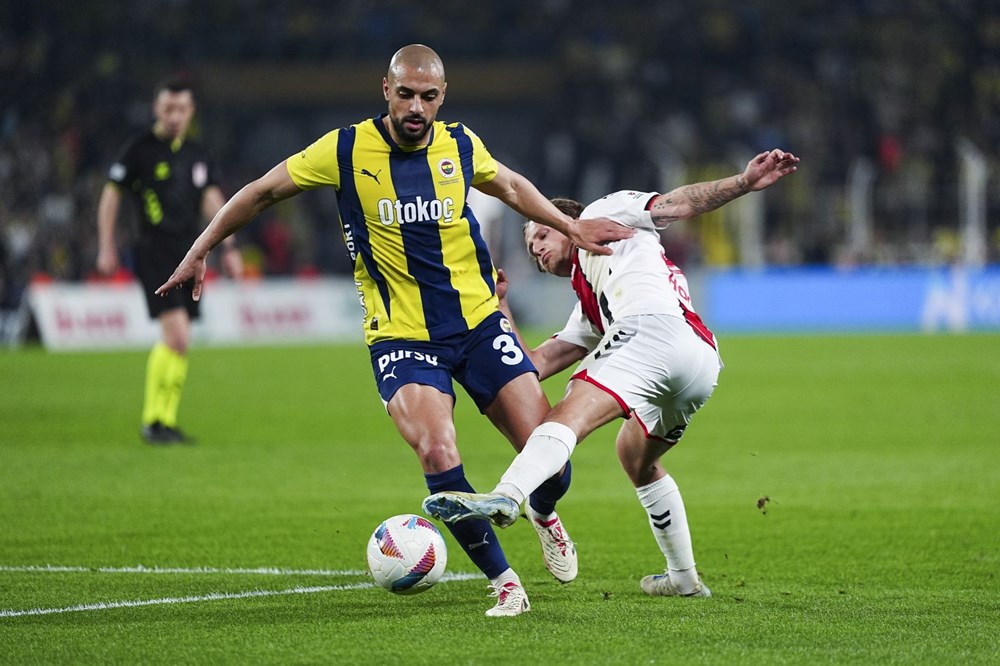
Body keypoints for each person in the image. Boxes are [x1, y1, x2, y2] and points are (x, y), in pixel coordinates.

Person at [155, 44, 633, 616]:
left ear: (441, 98)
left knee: (551, 460)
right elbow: (261, 191)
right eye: (405, 94)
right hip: (401, 337)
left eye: (428, 97)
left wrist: (568, 225)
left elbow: (511, 186)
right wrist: (202, 247)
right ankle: (504, 581)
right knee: (436, 449)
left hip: (479, 323)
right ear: (386, 90)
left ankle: (543, 510)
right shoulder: (345, 148)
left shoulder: (460, 144)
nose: (416, 107)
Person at [423, 149, 800, 600]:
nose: (538, 248)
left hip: (650, 329)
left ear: (568, 222)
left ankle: (508, 495)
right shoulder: (589, 301)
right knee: (634, 455)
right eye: (531, 246)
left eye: (543, 232)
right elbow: (532, 366)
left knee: (567, 415)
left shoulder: (604, 211)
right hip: (697, 362)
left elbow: (674, 205)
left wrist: (741, 182)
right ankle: (683, 577)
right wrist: (501, 306)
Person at [97, 76, 243, 445]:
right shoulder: (139, 150)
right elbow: (111, 196)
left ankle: (165, 420)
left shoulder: (198, 154)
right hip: (153, 250)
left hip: (192, 253)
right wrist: (106, 244)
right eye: (168, 108)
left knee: (182, 340)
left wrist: (229, 247)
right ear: (156, 109)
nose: (175, 115)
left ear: (191, 111)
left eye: (181, 108)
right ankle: (153, 421)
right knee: (176, 334)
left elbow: (214, 202)